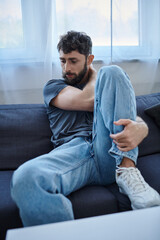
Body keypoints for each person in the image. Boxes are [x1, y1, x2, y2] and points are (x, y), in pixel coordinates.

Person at [11, 31, 160, 227]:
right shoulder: (53, 86)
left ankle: (127, 169)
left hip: (109, 152)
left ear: (89, 59)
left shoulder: (107, 84)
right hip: (73, 154)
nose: (66, 68)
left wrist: (142, 128)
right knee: (25, 178)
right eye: (63, 60)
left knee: (113, 71)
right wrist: (94, 73)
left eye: (73, 61)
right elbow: (87, 100)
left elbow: (130, 119)